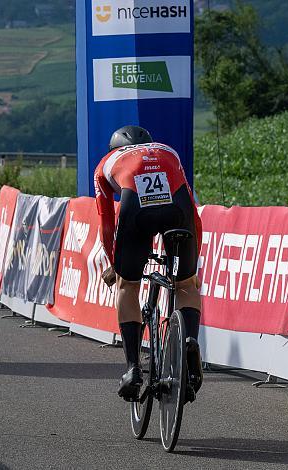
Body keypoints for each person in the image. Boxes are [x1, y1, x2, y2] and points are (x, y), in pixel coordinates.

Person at [94, 125, 203, 402]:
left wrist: (116, 265)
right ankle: (189, 340)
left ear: (114, 148)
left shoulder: (105, 165)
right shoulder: (168, 152)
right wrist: (192, 265)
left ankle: (132, 369)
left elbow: (107, 224)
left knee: (127, 286)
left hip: (136, 210)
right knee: (186, 284)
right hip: (178, 210)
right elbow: (193, 209)